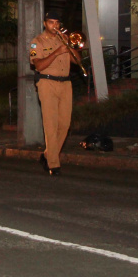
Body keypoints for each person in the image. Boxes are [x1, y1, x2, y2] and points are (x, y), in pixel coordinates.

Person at [29, 11, 84, 176]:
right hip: (47, 83)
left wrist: (70, 47)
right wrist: (57, 52)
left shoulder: (64, 40)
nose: (55, 26)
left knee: (64, 124)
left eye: (57, 23)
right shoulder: (37, 42)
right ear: (45, 23)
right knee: (51, 124)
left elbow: (77, 61)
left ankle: (47, 154)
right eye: (51, 22)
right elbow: (38, 66)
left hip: (65, 83)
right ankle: (53, 164)